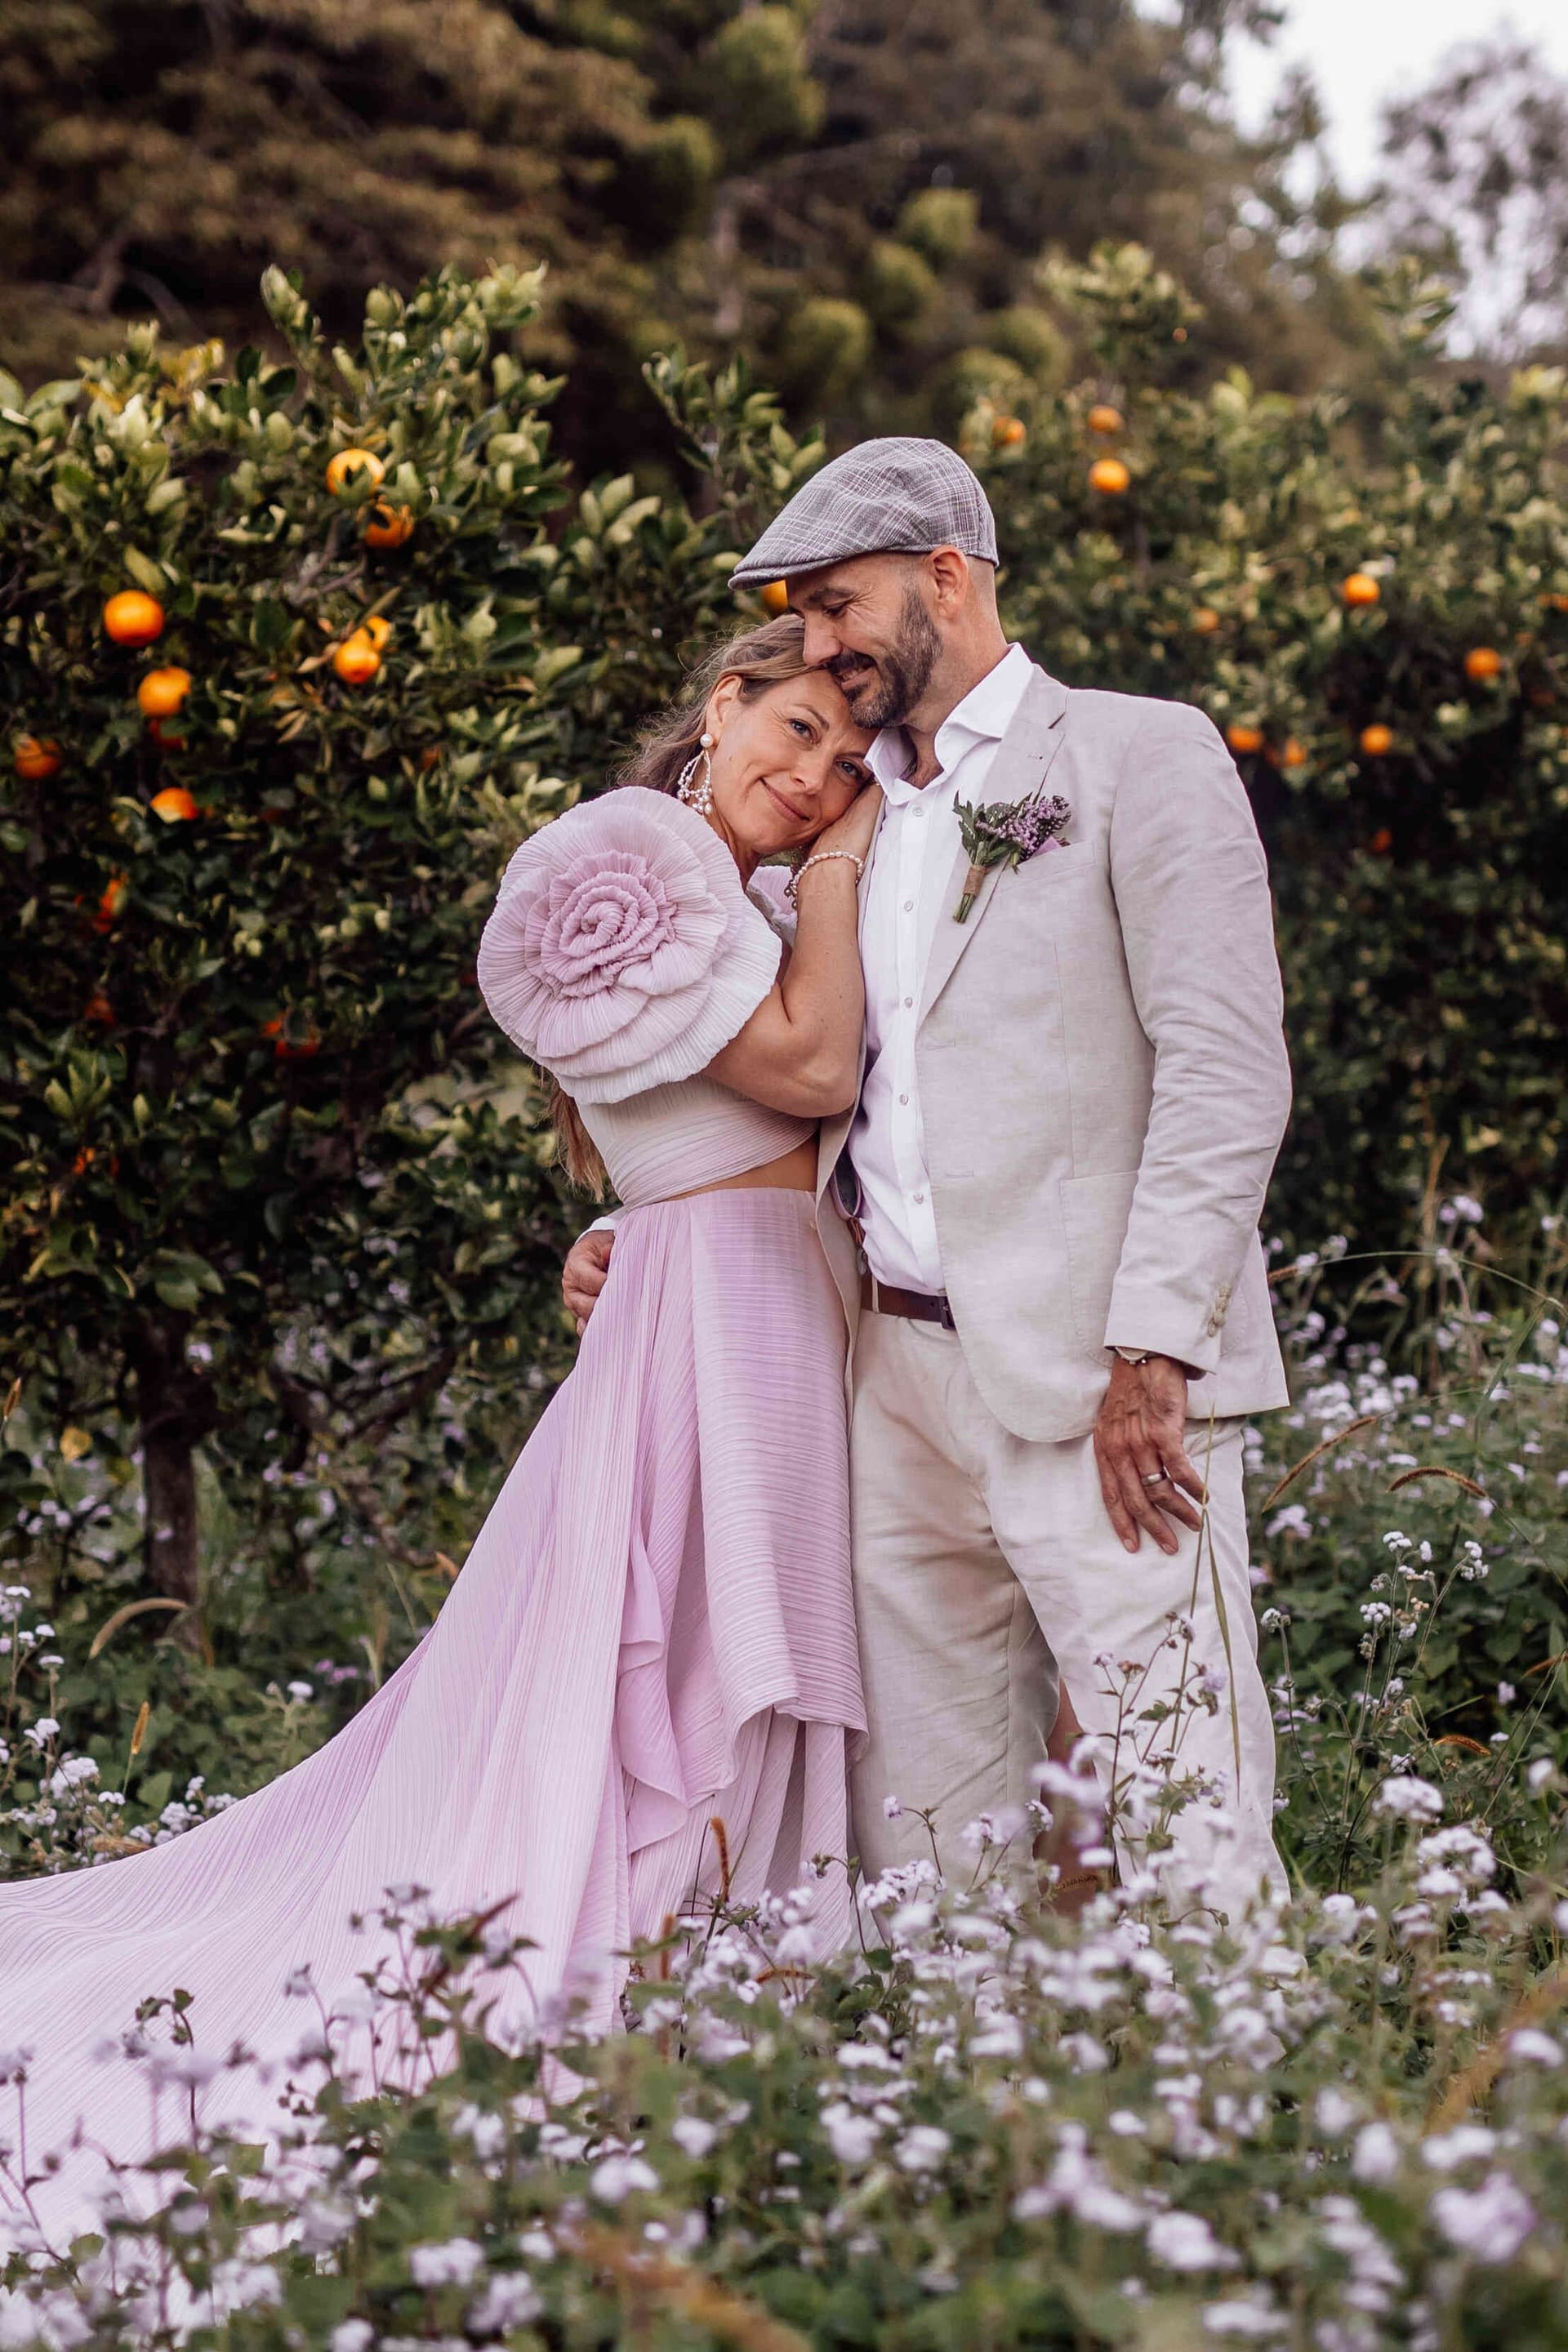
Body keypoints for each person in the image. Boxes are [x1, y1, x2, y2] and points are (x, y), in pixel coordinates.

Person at [0, 616, 880, 2244]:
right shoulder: (631, 868)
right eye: (799, 727)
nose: (820, 777)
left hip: (765, 1308)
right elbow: (814, 1069)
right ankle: (654, 2016)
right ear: (723, 702)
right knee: (685, 1680)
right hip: (715, 1330)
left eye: (849, 759)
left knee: (737, 1662)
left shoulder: (738, 896)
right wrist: (844, 877)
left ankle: (738, 2010)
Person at [564, 438, 1294, 1913]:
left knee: (1186, 1809)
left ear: (944, 577)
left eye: (837, 604)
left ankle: (1257, 2119)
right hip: (884, 1388)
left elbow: (1227, 1072)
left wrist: (1156, 1345)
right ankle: (987, 2131)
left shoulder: (1138, 754)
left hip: (1103, 1384)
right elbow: (799, 1087)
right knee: (933, 1856)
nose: (818, 645)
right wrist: (633, 1231)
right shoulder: (834, 812)